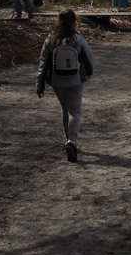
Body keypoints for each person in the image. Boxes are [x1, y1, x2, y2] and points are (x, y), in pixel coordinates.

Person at [36, 9, 94, 162]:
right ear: (74, 21)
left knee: (65, 109)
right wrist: (89, 72)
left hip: (57, 81)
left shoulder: (51, 40)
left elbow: (42, 64)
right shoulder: (78, 39)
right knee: (75, 111)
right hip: (75, 80)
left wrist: (39, 85)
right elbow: (88, 56)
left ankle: (67, 139)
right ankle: (72, 142)